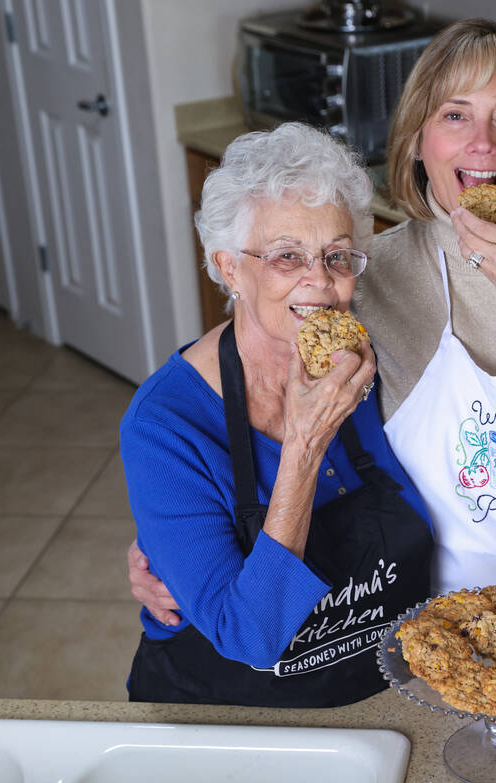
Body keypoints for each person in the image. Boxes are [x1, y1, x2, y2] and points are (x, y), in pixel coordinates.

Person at [131, 18, 496, 630]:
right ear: (416, 141)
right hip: (444, 614)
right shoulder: (368, 270)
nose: (482, 143)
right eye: (455, 115)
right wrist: (169, 543)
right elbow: (242, 379)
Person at [120, 123, 433, 707]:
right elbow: (251, 636)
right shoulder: (164, 425)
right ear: (230, 268)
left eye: (336, 255)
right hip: (230, 727)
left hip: (378, 697)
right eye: (287, 256)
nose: (320, 280)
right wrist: (305, 444)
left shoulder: (375, 358)